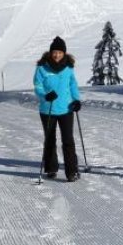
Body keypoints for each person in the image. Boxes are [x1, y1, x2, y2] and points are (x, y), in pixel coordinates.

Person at [33, 35, 83, 181]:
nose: (57, 55)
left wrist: (76, 100)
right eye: (55, 52)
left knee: (68, 140)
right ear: (50, 53)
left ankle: (72, 172)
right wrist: (45, 95)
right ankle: (50, 168)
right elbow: (37, 86)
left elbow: (73, 84)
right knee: (50, 139)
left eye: (60, 52)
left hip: (66, 109)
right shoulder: (42, 68)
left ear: (64, 53)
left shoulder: (68, 68)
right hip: (47, 109)